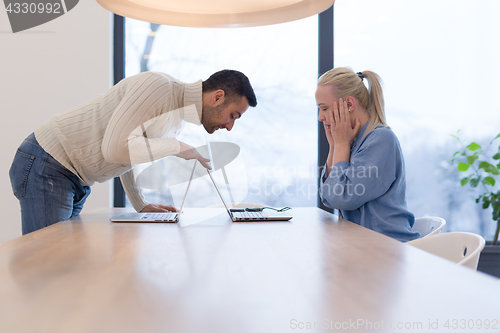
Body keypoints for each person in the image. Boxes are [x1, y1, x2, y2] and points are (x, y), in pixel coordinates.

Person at [9, 70, 257, 235]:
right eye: (233, 115)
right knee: (47, 264)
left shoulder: (177, 119)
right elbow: (115, 148)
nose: (230, 126)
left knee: (60, 264)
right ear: (217, 97)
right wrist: (177, 147)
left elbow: (129, 152)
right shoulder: (158, 88)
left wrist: (141, 204)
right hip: (47, 162)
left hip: (72, 177)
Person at [316, 67, 419, 242]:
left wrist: (340, 145)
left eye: (324, 108)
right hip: (364, 245)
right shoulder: (352, 143)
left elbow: (342, 198)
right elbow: (327, 197)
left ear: (348, 105)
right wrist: (334, 147)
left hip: (388, 248)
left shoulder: (381, 140)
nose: (320, 117)